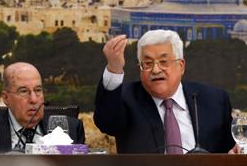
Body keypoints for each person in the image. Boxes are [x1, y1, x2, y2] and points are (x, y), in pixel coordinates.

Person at [94, 30, 235, 154]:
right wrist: (114, 68)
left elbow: (231, 149)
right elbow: (106, 122)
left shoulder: (213, 100)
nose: (156, 70)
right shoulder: (126, 98)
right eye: (147, 63)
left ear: (181, 66)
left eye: (163, 62)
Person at [0, 62, 85, 153]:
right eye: (24, 91)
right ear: (6, 98)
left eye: (38, 90)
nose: (34, 99)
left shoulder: (71, 128)